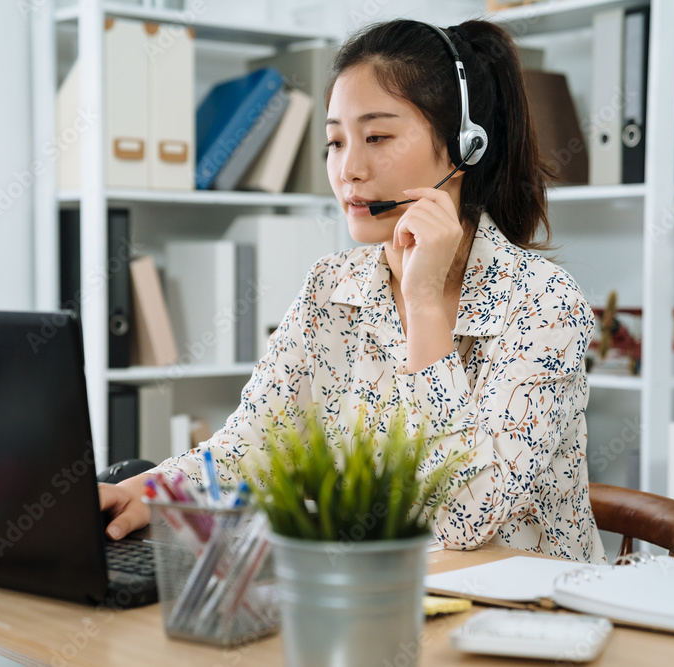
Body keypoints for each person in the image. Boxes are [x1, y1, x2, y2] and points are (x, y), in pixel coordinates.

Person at [100, 18, 606, 563]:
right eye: (335, 141)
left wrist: (425, 301)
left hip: (527, 625)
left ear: (465, 147)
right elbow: (252, 445)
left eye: (377, 137)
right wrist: (146, 491)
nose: (349, 170)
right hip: (385, 603)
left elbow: (464, 516)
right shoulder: (332, 287)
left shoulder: (544, 303)